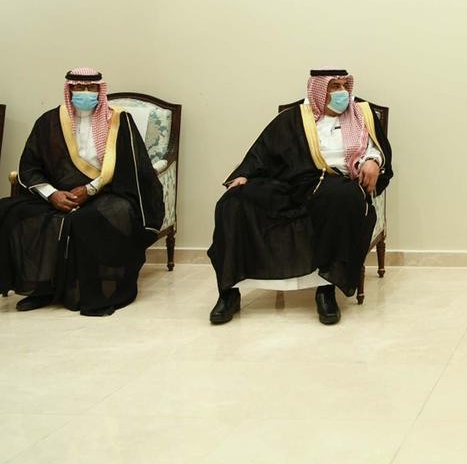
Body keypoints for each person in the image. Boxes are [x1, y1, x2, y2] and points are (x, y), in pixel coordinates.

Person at [207, 69, 393, 325]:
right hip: (293, 182)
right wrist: (243, 175)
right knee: (234, 201)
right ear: (318, 89)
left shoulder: (361, 115)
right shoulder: (294, 118)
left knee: (341, 199)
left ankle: (326, 288)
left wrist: (373, 161)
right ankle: (229, 291)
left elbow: (377, 148)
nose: (341, 92)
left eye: (344, 85)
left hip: (338, 182)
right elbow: (262, 151)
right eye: (334, 86)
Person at [0, 68, 162, 316]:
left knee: (89, 218)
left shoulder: (119, 120)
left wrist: (90, 189)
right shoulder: (49, 122)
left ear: (100, 90)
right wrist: (52, 194)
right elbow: (30, 167)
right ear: (69, 89)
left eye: (91, 88)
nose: (85, 93)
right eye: (79, 87)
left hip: (107, 192)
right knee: (11, 211)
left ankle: (90, 291)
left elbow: (132, 167)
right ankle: (41, 289)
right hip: (58, 193)